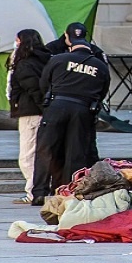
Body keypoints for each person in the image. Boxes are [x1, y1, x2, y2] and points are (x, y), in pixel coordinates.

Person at [32, 35, 110, 206]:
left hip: (56, 106)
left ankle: (39, 192)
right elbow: (102, 92)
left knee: (46, 150)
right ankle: (68, 190)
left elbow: (44, 83)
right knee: (76, 153)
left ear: (71, 48)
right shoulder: (100, 66)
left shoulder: (59, 59)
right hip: (83, 111)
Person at [7, 29, 52, 204]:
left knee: (27, 155)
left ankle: (33, 191)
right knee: (41, 152)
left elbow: (34, 89)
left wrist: (43, 109)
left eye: (17, 40)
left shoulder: (25, 64)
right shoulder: (47, 58)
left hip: (31, 112)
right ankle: (40, 188)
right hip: (41, 111)